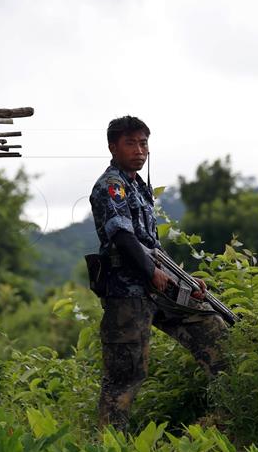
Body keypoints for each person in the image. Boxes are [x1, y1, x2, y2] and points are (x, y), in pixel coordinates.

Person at [89, 116, 229, 431]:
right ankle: (108, 450)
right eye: (130, 143)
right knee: (125, 375)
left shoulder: (138, 185)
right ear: (113, 147)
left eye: (143, 143)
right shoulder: (111, 185)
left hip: (159, 285)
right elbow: (122, 236)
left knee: (216, 331)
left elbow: (152, 245)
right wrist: (152, 271)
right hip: (127, 292)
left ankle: (227, 421)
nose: (139, 150)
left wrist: (186, 281)